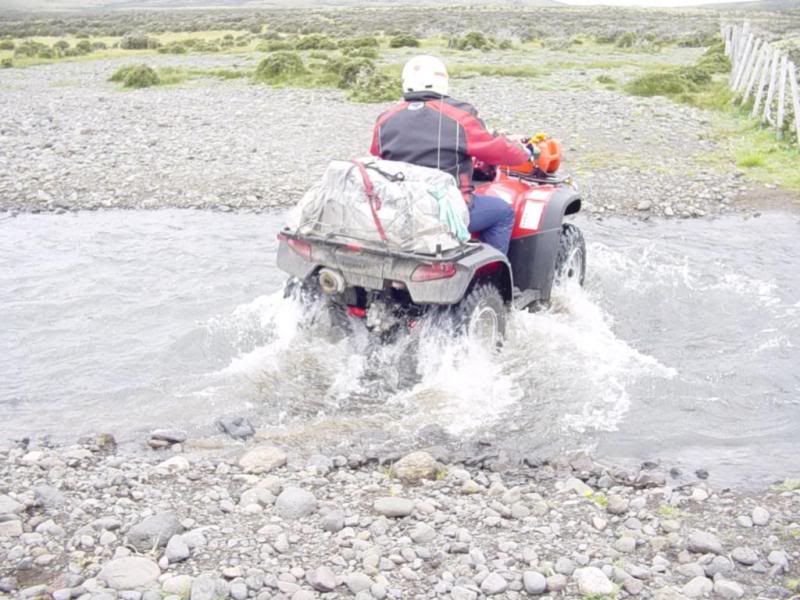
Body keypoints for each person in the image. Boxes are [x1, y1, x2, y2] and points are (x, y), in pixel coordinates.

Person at [369, 55, 533, 255]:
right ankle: (493, 274)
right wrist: (526, 153)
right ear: (441, 81)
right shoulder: (459, 115)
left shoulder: (385, 119)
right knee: (503, 212)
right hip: (444, 210)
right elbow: (498, 149)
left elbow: (375, 159)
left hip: (397, 208)